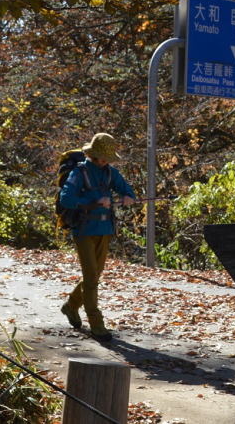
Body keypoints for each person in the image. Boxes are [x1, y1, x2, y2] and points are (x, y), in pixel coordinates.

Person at [59, 133, 136, 342]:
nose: (106, 162)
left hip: (105, 229)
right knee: (92, 278)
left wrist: (128, 197)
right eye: (103, 157)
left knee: (94, 276)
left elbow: (126, 190)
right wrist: (95, 199)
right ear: (93, 155)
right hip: (84, 231)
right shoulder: (79, 173)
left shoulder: (110, 173)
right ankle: (96, 324)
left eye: (108, 158)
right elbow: (66, 199)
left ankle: (71, 306)